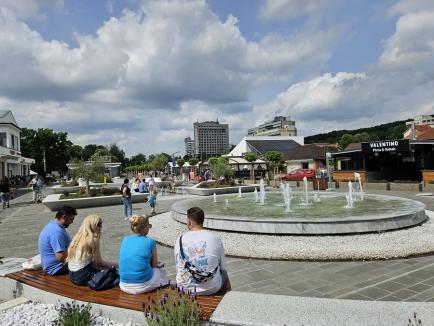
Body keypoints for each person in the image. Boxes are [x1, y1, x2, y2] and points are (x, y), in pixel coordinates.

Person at [174, 207, 230, 295]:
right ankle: (228, 300)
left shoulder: (179, 240)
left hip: (184, 288)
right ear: (202, 220)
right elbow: (223, 266)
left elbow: (178, 266)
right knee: (224, 273)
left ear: (189, 222)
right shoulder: (215, 239)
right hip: (212, 288)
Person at [118, 215, 167, 294]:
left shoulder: (125, 239)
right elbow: (154, 265)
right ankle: (164, 289)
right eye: (149, 226)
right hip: (142, 285)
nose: (149, 228)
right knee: (160, 270)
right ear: (145, 228)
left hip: (124, 285)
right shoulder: (150, 242)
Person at [67, 214, 118, 285]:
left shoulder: (78, 237)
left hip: (72, 275)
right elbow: (99, 262)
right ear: (91, 225)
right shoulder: (93, 239)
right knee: (115, 277)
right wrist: (117, 264)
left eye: (101, 223)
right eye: (98, 224)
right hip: (82, 275)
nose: (101, 226)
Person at [38, 206, 77, 275]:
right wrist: (77, 252)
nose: (72, 222)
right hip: (56, 268)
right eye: (71, 219)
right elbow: (60, 256)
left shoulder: (53, 224)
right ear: (64, 217)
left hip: (51, 266)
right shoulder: (57, 232)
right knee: (87, 262)